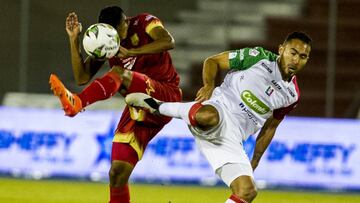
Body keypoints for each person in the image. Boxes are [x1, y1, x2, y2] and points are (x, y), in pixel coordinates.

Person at [125, 31, 312, 203]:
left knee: (247, 191)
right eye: (292, 53)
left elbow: (271, 127)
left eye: (302, 57)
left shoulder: (292, 95)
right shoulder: (257, 58)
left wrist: (255, 160)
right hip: (218, 109)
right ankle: (156, 106)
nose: (295, 60)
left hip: (232, 139)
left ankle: (160, 106)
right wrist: (208, 86)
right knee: (209, 116)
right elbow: (212, 61)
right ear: (281, 49)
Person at [49, 6, 182, 203]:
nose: (113, 38)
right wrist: (74, 39)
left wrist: (133, 51)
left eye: (116, 31)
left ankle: (78, 102)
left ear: (124, 22)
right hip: (138, 107)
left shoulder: (145, 22)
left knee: (119, 73)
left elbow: (168, 41)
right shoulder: (107, 39)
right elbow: (82, 77)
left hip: (166, 94)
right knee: (117, 174)